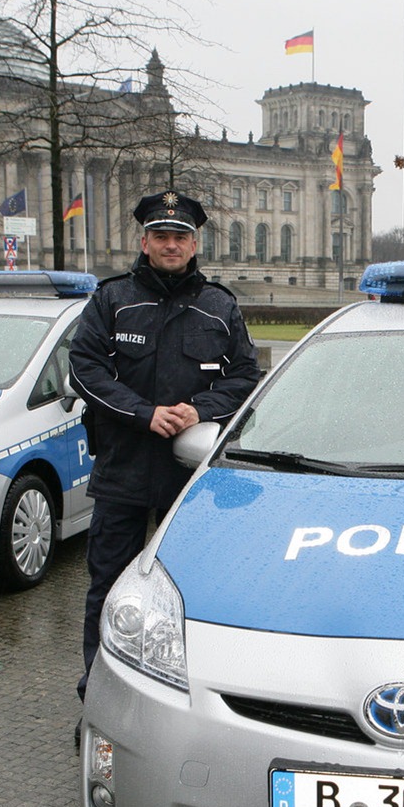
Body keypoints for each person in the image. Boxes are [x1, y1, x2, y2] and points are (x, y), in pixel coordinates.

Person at [68, 190, 262, 706]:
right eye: (161, 236)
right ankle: (101, 698)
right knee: (109, 589)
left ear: (195, 243)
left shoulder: (219, 306)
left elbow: (245, 376)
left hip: (191, 478)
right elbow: (85, 369)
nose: (171, 244)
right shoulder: (112, 299)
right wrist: (143, 412)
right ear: (144, 241)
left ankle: (187, 701)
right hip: (123, 469)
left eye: (180, 236)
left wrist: (197, 410)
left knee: (191, 592)